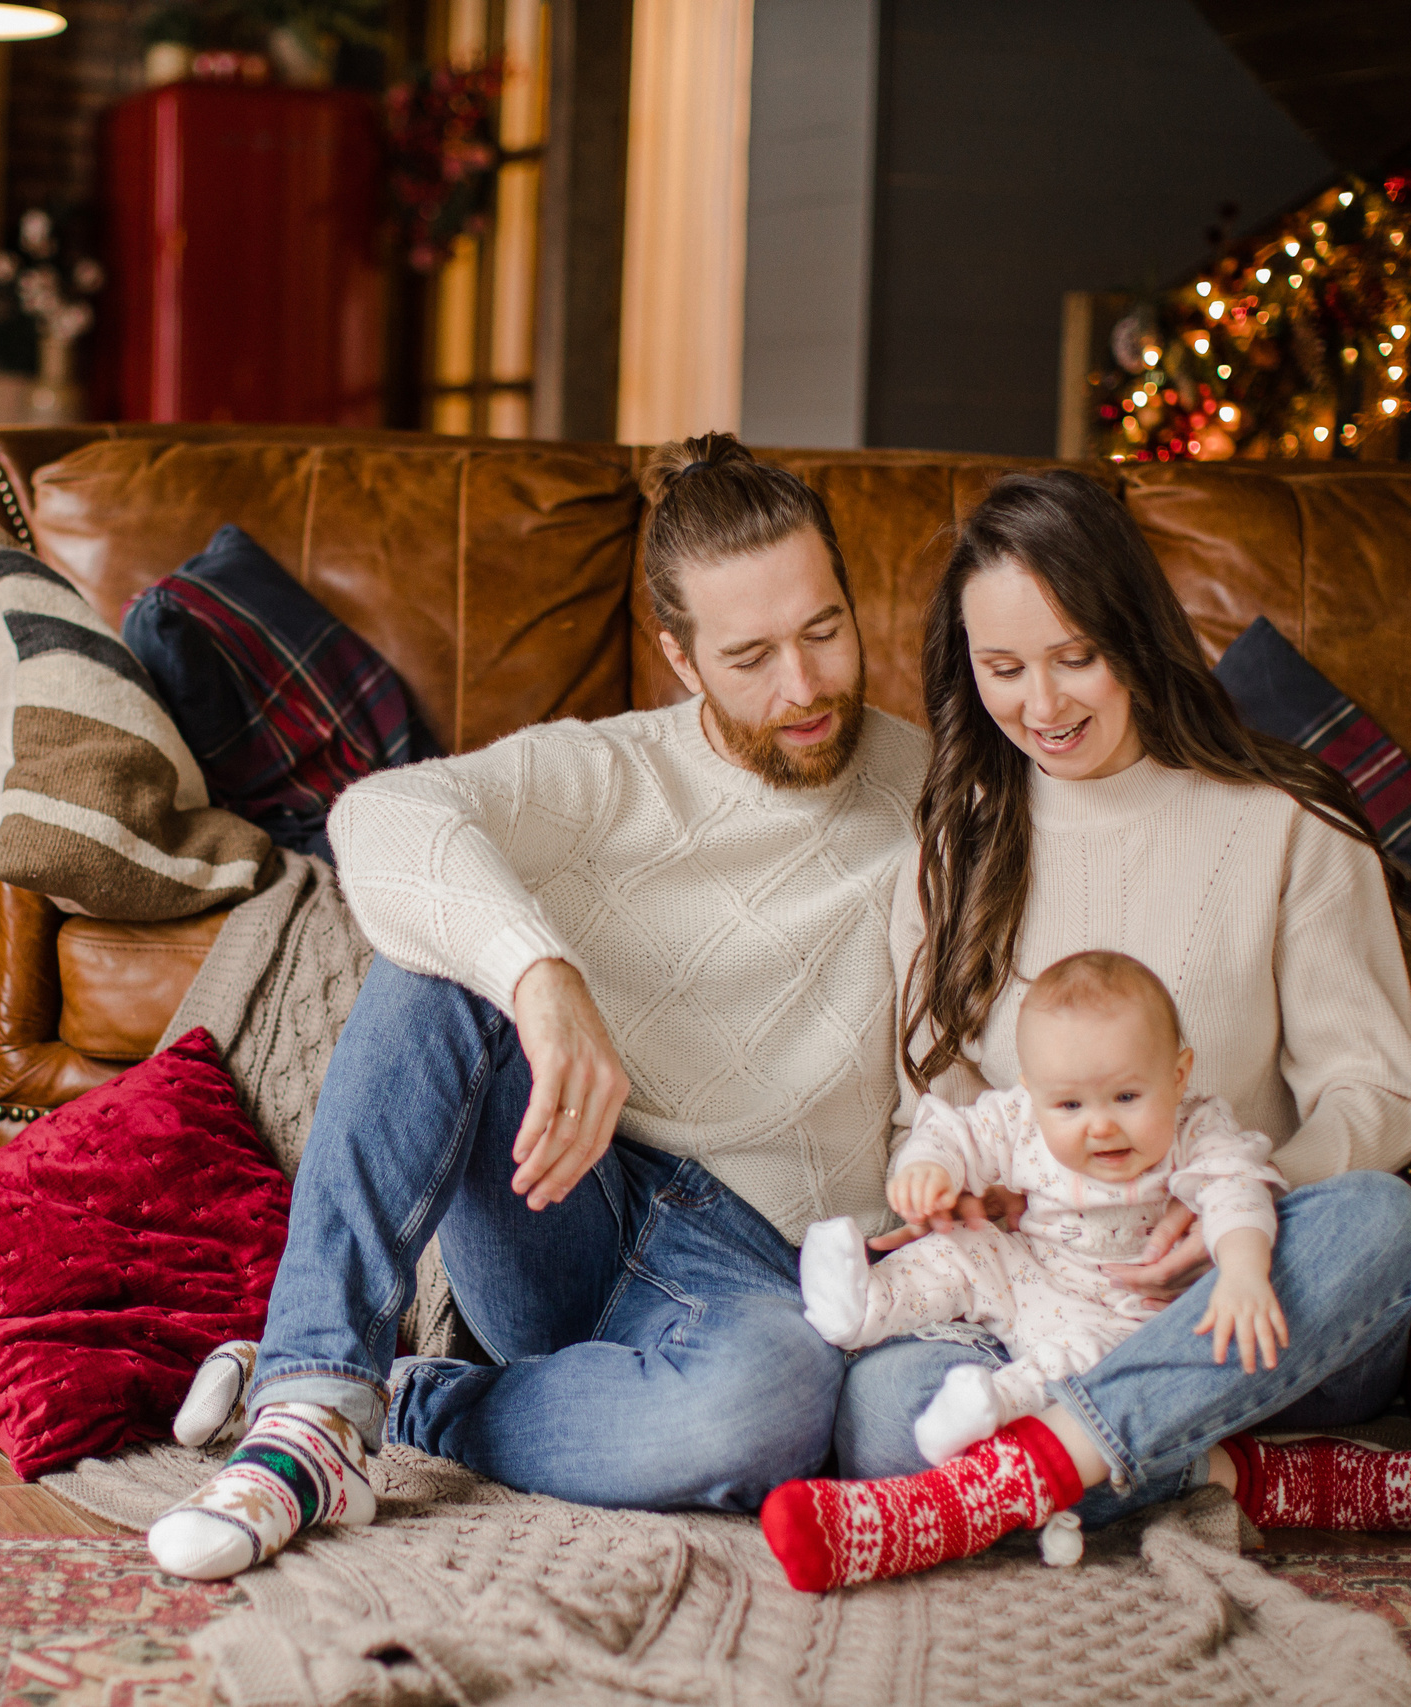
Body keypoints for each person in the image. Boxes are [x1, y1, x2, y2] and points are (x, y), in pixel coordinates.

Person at [143, 433, 932, 1580]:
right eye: (750, 655)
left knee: (773, 1406)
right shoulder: (613, 773)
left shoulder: (938, 792)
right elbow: (380, 819)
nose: (803, 688)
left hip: (765, 1280)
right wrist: (536, 972)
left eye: (824, 633)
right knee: (440, 952)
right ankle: (311, 1406)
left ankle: (411, 1401)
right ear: (680, 656)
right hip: (566, 1211)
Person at [764, 468, 1411, 1591]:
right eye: (1002, 669)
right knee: (881, 1419)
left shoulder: (1283, 824)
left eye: (1075, 658)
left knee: (1383, 1225)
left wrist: (1232, 1217)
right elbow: (944, 1097)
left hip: (1243, 1303)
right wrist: (964, 1188)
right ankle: (1239, 1473)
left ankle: (1028, 1476)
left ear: (1138, 637)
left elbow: (1376, 1092)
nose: (1042, 706)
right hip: (1049, 1300)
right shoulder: (960, 839)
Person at [797, 950, 1290, 1476]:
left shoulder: (1197, 1129)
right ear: (1032, 1093)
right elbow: (958, 1133)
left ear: (1178, 1075)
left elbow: (1237, 1190)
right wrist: (929, 1169)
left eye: (1126, 1096)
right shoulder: (1024, 1118)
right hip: (1029, 1270)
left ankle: (988, 1406)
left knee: (1089, 1364)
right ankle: (861, 1306)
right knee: (962, 1248)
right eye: (1070, 1106)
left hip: (1123, 1313)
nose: (1100, 1126)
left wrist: (1242, 1270)